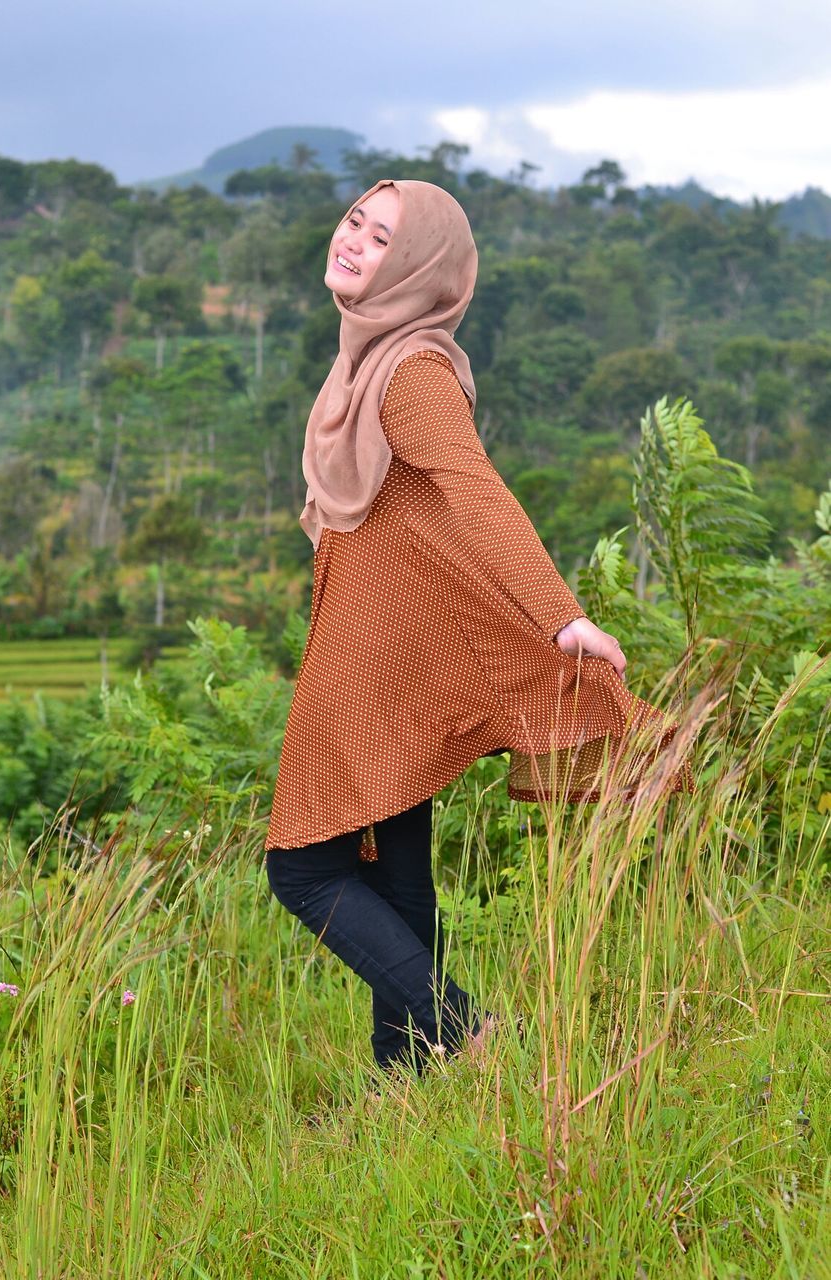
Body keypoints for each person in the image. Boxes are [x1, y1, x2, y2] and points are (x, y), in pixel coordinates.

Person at [265, 179, 690, 1075]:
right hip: (384, 649)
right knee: (395, 872)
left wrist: (562, 617)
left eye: (380, 237)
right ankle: (406, 1075)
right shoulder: (365, 359)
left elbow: (476, 491)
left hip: (384, 661)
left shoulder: (410, 371)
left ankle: (461, 1031)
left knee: (302, 867)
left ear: (418, 267)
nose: (352, 241)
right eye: (353, 222)